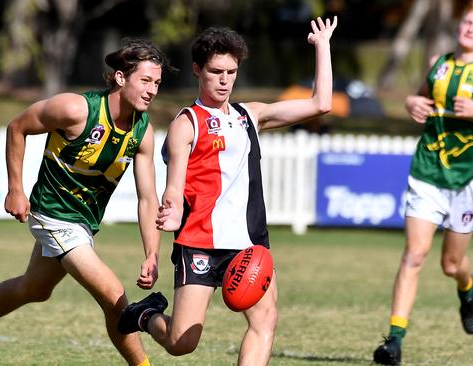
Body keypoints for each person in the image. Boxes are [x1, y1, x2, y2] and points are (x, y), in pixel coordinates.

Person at [0, 38, 173, 366]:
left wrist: (151, 253)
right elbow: (17, 127)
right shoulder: (76, 109)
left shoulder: (142, 131)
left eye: (157, 83)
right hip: (52, 214)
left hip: (83, 223)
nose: (152, 90)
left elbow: (147, 198)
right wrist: (15, 189)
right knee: (115, 299)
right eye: (145, 80)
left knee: (34, 289)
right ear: (120, 78)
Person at [118, 17, 337, 366]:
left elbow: (320, 104)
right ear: (197, 69)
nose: (224, 81)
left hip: (249, 243)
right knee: (181, 343)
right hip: (200, 241)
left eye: (231, 72)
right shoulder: (186, 123)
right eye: (216, 71)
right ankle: (145, 316)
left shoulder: (250, 115)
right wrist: (172, 209)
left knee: (265, 321)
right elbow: (174, 185)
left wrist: (322, 46)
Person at [373, 1, 473, 365]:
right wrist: (413, 102)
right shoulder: (438, 65)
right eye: (467, 22)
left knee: (450, 264)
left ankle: (467, 285)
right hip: (428, 170)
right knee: (414, 255)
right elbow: (420, 99)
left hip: (467, 179)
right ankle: (393, 341)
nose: (469, 28)